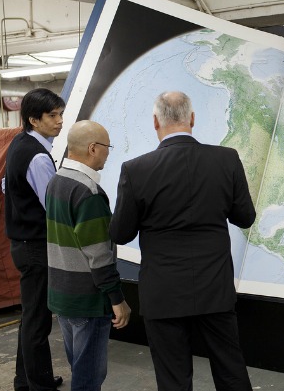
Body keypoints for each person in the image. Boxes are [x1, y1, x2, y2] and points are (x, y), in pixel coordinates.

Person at [109, 91, 256, 391]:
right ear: (192, 118)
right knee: (230, 370)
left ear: (155, 122)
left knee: (173, 378)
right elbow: (245, 217)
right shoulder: (226, 159)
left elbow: (121, 234)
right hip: (214, 287)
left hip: (163, 292)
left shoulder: (135, 170)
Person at [45, 120, 131, 391]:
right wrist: (117, 299)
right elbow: (99, 255)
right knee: (88, 379)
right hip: (88, 300)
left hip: (62, 295)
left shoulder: (56, 181)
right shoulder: (89, 192)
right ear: (93, 148)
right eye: (107, 147)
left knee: (79, 368)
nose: (108, 153)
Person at [4, 88, 65, 391]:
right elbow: (53, 207)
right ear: (33, 119)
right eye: (52, 115)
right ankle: (39, 385)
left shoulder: (19, 143)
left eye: (60, 114)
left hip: (23, 244)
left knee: (31, 318)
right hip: (35, 247)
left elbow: (6, 186)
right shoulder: (38, 157)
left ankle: (25, 381)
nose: (60, 121)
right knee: (37, 320)